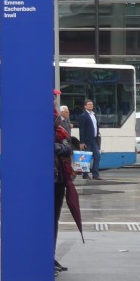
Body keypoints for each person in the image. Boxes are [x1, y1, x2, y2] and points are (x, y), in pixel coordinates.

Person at [53, 116, 75, 272]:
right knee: (49, 220)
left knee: (54, 220)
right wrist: (59, 147)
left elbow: (68, 148)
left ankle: (50, 257)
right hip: (52, 180)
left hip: (60, 180)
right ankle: (46, 257)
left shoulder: (60, 131)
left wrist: (57, 147)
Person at [76, 98, 101, 180]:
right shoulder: (83, 116)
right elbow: (81, 130)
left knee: (97, 156)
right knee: (86, 158)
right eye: (89, 104)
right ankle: (85, 174)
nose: (91, 105)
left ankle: (95, 174)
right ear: (85, 106)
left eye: (92, 104)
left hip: (94, 140)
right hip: (86, 140)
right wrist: (82, 142)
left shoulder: (94, 115)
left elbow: (96, 127)